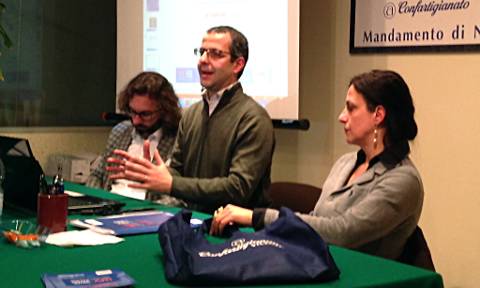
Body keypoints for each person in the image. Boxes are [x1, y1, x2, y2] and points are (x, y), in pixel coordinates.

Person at [210, 70, 424, 261]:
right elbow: (316, 220)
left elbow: (342, 233)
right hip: (318, 265)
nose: (342, 117)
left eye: (351, 108)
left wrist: (255, 216)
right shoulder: (346, 163)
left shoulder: (403, 180)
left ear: (378, 115)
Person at [107, 26, 275, 214]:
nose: (203, 60)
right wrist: (151, 174)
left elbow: (237, 189)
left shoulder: (253, 118)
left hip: (235, 231)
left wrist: (171, 183)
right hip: (189, 221)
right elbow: (178, 170)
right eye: (202, 52)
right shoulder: (192, 113)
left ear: (237, 64)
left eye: (216, 54)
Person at [86, 71, 184, 206]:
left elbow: (180, 197)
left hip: (146, 212)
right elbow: (96, 176)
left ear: (164, 111)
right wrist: (99, 202)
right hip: (108, 207)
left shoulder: (178, 140)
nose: (136, 121)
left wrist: (147, 212)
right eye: (133, 112)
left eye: (145, 114)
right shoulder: (120, 131)